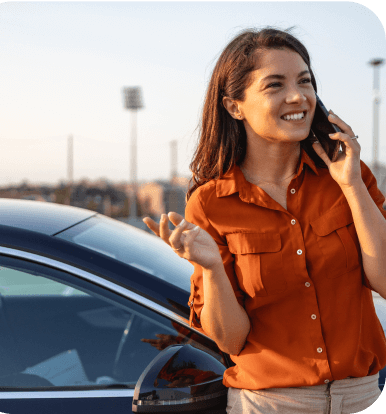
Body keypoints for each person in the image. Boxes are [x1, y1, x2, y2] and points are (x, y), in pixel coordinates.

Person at [143, 27, 386, 414]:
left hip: (363, 396)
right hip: (270, 404)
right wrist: (211, 270)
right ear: (234, 106)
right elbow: (231, 341)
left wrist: (353, 185)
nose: (298, 96)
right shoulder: (210, 204)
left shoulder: (350, 176)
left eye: (305, 81)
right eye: (275, 85)